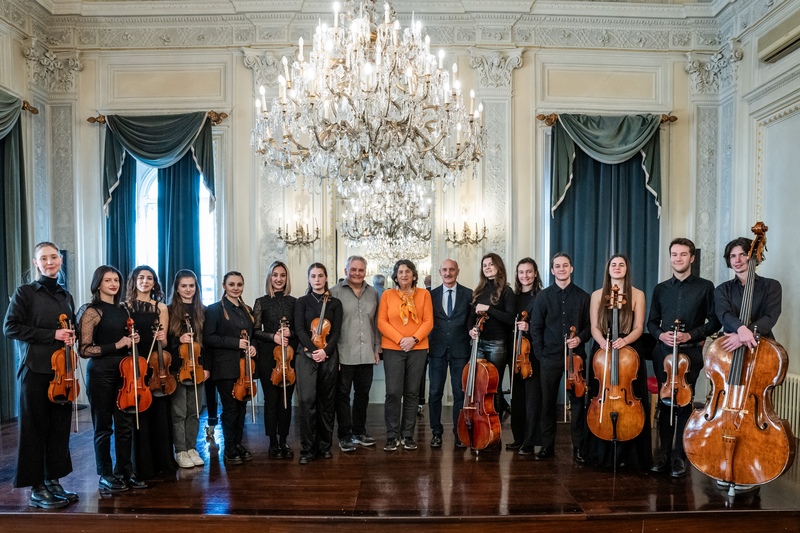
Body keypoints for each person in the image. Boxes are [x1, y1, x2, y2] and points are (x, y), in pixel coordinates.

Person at [3, 242, 78, 508]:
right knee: (35, 429)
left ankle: (54, 480)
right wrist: (52, 335)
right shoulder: (25, 292)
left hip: (63, 372)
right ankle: (36, 486)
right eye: (44, 258)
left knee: (58, 429)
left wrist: (71, 336)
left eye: (54, 257)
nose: (50, 262)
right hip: (35, 370)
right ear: (36, 263)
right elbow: (10, 327)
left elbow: (71, 328)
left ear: (60, 260)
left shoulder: (65, 296)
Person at [647, 238, 720, 478]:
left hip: (690, 352)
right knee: (667, 401)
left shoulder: (706, 287)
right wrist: (661, 335)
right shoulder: (660, 289)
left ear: (692, 258)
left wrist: (691, 333)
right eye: (674, 254)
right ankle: (663, 454)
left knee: (684, 404)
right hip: (663, 352)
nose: (677, 258)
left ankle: (680, 456)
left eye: (683, 254)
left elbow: (714, 321)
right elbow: (651, 322)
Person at [585, 254, 650, 470]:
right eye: (613, 264)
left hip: (628, 348)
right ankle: (600, 452)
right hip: (603, 349)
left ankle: (631, 455)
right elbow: (594, 326)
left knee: (633, 396)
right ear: (608, 269)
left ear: (626, 269)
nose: (617, 267)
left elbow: (639, 327)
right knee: (599, 395)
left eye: (621, 264)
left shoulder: (638, 294)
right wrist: (603, 342)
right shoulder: (597, 295)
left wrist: (624, 341)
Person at [78, 265, 138, 492]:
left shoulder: (124, 310)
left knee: (124, 425)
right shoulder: (91, 311)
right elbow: (84, 349)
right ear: (98, 284)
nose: (113, 284)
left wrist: (132, 339)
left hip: (124, 372)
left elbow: (125, 339)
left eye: (116, 280)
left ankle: (125, 471)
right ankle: (105, 474)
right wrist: (118, 344)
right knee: (103, 426)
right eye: (108, 280)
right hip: (100, 373)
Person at [527, 253, 591, 461]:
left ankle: (580, 448)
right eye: (557, 266)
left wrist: (580, 339)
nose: (561, 269)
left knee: (578, 403)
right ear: (552, 270)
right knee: (548, 403)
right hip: (550, 357)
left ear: (571, 268)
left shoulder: (583, 297)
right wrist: (540, 354)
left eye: (565, 265)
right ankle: (547, 446)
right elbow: (536, 328)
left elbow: (591, 327)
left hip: (576, 358)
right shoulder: (543, 297)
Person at [125, 266, 176, 481]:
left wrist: (161, 336)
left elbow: (163, 342)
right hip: (134, 364)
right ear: (134, 281)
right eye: (141, 278)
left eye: (149, 278)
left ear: (154, 283)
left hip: (155, 365)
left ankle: (161, 464)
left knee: (159, 413)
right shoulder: (124, 307)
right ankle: (141, 466)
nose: (145, 281)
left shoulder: (161, 307)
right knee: (139, 415)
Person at [378, 259, 434, 452]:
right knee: (393, 392)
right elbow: (382, 322)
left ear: (413, 275)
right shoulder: (387, 295)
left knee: (411, 392)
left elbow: (428, 321)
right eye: (400, 272)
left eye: (407, 271)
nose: (404, 275)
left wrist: (414, 339)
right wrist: (401, 339)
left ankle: (408, 435)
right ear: (395, 275)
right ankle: (392, 435)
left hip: (417, 349)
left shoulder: (424, 294)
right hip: (393, 348)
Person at [203, 271, 257, 465]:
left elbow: (253, 336)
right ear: (224, 286)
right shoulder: (214, 309)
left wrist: (252, 347)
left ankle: (238, 443)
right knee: (231, 408)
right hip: (224, 368)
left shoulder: (246, 309)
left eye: (239, 284)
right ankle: (229, 448)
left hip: (244, 368)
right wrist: (236, 343)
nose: (236, 288)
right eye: (232, 284)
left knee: (241, 407)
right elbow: (208, 338)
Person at [330, 256, 381, 452]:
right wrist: (333, 355)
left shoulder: (373, 293)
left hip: (367, 353)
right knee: (342, 395)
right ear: (346, 271)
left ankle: (359, 431)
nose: (357, 273)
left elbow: (375, 324)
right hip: (344, 353)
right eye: (353, 269)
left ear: (365, 271)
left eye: (361, 270)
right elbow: (330, 327)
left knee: (362, 394)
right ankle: (344, 435)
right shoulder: (334, 293)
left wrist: (377, 349)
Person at [294, 263, 343, 464]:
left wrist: (325, 351)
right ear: (308, 278)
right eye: (313, 276)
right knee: (306, 400)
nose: (317, 279)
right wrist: (314, 351)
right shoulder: (302, 302)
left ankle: (324, 446)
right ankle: (307, 448)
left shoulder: (335, 303)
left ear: (326, 278)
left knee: (327, 402)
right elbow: (299, 330)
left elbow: (337, 332)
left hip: (328, 356)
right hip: (306, 356)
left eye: (320, 276)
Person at [253, 261, 298, 459]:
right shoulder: (261, 301)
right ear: (269, 278)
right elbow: (255, 331)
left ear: (286, 278)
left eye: (282, 275)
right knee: (271, 400)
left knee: (286, 400)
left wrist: (291, 332)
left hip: (288, 358)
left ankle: (284, 440)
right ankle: (272, 442)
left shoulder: (294, 302)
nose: (279, 279)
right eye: (275, 275)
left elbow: (301, 331)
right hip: (267, 358)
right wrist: (273, 337)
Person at [166, 270, 210, 469]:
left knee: (195, 411)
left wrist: (207, 367)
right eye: (184, 286)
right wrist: (178, 340)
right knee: (179, 412)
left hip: (197, 368)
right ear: (177, 288)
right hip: (177, 367)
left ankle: (192, 448)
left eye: (191, 285)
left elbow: (207, 343)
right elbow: (163, 343)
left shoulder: (203, 311)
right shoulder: (168, 310)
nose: (188, 289)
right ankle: (180, 450)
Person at [427, 259, 473, 449]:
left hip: (460, 350)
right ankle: (436, 432)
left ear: (457, 271)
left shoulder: (469, 294)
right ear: (439, 272)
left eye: (451, 269)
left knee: (459, 393)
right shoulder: (430, 295)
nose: (448, 273)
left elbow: (471, 321)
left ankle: (458, 433)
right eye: (444, 270)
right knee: (435, 392)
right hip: (436, 350)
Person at [468, 253, 515, 419]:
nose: (487, 268)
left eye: (491, 264)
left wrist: (489, 309)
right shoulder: (478, 291)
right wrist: (471, 330)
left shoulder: (507, 291)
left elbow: (510, 318)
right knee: (479, 385)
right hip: (479, 343)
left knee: (494, 386)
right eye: (484, 265)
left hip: (497, 344)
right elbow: (471, 318)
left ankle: (495, 425)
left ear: (498, 267)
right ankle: (481, 421)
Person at [507, 258, 543, 454]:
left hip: (533, 354)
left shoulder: (541, 296)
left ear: (535, 273)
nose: (525, 276)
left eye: (529, 272)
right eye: (521, 272)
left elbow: (547, 324)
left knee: (532, 399)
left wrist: (530, 328)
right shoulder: (513, 297)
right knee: (517, 398)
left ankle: (530, 441)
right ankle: (518, 438)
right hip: (516, 353)